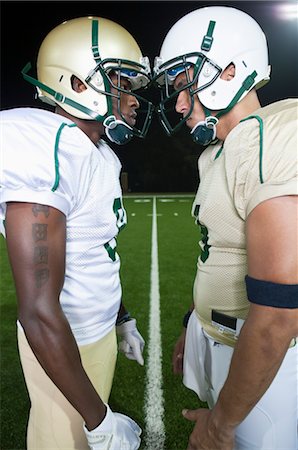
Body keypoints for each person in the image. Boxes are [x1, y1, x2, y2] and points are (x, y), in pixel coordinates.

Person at [0, 15, 154, 450]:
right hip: (62, 343)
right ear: (77, 83)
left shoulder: (98, 153)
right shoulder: (46, 152)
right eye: (122, 82)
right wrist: (100, 419)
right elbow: (38, 311)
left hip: (95, 328)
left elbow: (96, 245)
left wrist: (121, 318)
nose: (134, 99)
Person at [153, 5, 298, 450]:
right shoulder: (217, 150)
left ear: (231, 69)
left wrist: (220, 425)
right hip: (216, 335)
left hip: (261, 354)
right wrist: (191, 321)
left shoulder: (274, 135)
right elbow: (218, 250)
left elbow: (277, 313)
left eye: (185, 84)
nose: (178, 103)